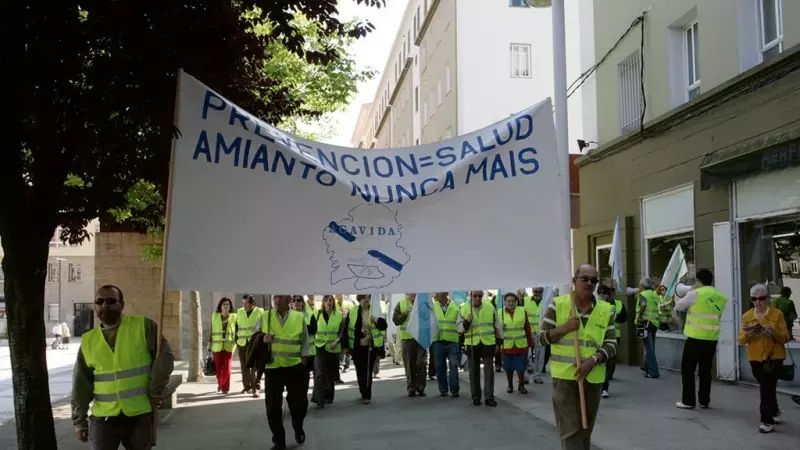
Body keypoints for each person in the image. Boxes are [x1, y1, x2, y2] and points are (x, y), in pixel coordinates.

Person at [72, 285, 174, 449]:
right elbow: (80, 383)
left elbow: (165, 358)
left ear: (122, 304)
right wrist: (79, 421)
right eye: (100, 301)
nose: (105, 305)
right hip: (103, 418)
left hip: (139, 414)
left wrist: (156, 391)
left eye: (111, 301)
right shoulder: (88, 341)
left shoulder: (144, 326)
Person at [538, 265, 616, 450]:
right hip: (565, 379)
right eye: (585, 278)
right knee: (571, 432)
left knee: (584, 431)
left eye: (594, 280)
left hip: (593, 377)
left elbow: (612, 345)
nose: (589, 283)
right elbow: (541, 339)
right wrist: (564, 328)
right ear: (574, 281)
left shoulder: (606, 309)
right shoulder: (559, 305)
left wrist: (594, 360)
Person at [261, 294, 311, 450]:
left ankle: (298, 426)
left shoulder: (298, 317)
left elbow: (305, 341)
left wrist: (303, 362)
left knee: (298, 404)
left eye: (281, 298)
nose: (277, 301)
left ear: (289, 300)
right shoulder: (265, 316)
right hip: (273, 368)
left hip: (294, 368)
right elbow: (254, 337)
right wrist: (263, 339)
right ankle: (279, 440)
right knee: (272, 408)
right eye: (275, 297)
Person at [739, 283, 789, 433]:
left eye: (761, 298)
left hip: (774, 357)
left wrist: (773, 331)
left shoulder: (777, 314)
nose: (758, 302)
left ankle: (767, 421)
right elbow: (740, 340)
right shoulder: (747, 316)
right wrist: (749, 334)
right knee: (767, 387)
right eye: (754, 299)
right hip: (755, 357)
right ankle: (774, 411)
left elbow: (785, 338)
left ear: (767, 298)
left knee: (765, 388)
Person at [675, 268, 727, 410]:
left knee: (688, 370)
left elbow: (679, 306)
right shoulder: (720, 296)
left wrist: (689, 292)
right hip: (711, 339)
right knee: (705, 371)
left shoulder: (695, 294)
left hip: (695, 337)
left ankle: (688, 401)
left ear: (698, 281)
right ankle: (704, 401)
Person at [457, 290, 503, 407]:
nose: (477, 298)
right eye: (475, 296)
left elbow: (498, 325)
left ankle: (489, 397)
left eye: (479, 296)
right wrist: (467, 321)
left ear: (482, 296)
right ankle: (476, 396)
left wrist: (498, 342)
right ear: (470, 296)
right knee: (473, 373)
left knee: (489, 372)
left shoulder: (490, 307)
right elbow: (459, 329)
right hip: (472, 345)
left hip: (488, 344)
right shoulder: (463, 309)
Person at [341, 294, 388, 404]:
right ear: (359, 299)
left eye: (368, 297)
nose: (366, 300)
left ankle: (367, 395)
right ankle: (363, 391)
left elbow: (383, 326)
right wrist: (345, 346)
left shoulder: (375, 310)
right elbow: (346, 329)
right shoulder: (352, 311)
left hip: (370, 347)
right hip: (357, 346)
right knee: (360, 371)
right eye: (364, 298)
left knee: (367, 371)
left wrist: (375, 322)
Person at [393, 293, 428, 397]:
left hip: (421, 339)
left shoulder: (423, 304)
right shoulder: (401, 304)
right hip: (407, 339)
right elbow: (395, 320)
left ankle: (421, 388)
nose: (413, 294)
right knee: (409, 365)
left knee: (421, 363)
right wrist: (404, 313)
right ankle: (411, 388)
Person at [313, 295, 344, 408]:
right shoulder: (317, 314)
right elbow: (312, 328)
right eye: (326, 300)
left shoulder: (339, 315)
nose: (328, 302)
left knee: (330, 374)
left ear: (333, 302)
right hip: (319, 346)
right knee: (320, 373)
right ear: (323, 302)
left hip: (333, 347)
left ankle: (329, 396)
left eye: (330, 300)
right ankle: (319, 398)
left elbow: (341, 331)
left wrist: (337, 341)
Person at [500, 292, 533, 394]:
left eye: (512, 301)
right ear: (505, 302)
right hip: (507, 345)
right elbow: (496, 329)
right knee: (508, 367)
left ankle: (521, 385)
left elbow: (527, 327)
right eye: (508, 301)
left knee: (521, 367)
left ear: (516, 302)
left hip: (521, 344)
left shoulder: (522, 311)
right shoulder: (500, 312)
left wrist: (530, 342)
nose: (510, 303)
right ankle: (510, 385)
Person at [599, 285, 627, 398]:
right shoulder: (596, 304)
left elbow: (624, 318)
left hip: (614, 335)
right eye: (600, 293)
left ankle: (607, 379)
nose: (602, 296)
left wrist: (615, 315)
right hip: (600, 336)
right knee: (602, 361)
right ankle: (603, 386)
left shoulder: (618, 304)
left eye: (604, 293)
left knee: (610, 359)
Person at [432, 292, 460, 397]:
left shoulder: (455, 307)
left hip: (452, 341)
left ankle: (454, 389)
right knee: (439, 366)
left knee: (453, 365)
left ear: (445, 294)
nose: (436, 294)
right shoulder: (433, 307)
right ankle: (443, 389)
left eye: (438, 292)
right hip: (438, 341)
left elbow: (459, 324)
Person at [291, 295, 318, 404]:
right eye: (294, 300)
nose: (296, 302)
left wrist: (302, 325)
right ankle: (294, 400)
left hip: (307, 353)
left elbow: (313, 330)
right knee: (293, 380)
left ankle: (302, 400)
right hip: (292, 353)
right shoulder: (288, 316)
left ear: (303, 303)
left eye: (299, 300)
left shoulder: (310, 315)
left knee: (304, 379)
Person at [236, 294, 264, 397]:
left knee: (254, 366)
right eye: (243, 303)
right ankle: (246, 386)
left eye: (246, 303)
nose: (244, 306)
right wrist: (236, 339)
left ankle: (255, 388)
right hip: (242, 341)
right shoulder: (239, 312)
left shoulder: (260, 311)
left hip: (254, 342)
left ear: (252, 303)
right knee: (244, 366)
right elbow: (236, 326)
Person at [208, 297, 237, 394]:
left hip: (229, 347)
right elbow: (211, 331)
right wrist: (209, 345)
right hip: (217, 347)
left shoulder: (234, 317)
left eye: (227, 304)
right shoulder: (215, 316)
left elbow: (237, 332)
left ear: (230, 307)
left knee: (227, 369)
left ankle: (224, 387)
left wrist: (236, 344)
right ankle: (221, 385)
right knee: (218, 369)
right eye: (224, 304)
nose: (226, 306)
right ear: (220, 306)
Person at [635, 277, 660, 378]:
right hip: (654, 323)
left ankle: (654, 371)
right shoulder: (654, 294)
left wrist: (640, 316)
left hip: (646, 323)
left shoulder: (643, 294)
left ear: (642, 286)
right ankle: (647, 367)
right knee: (651, 347)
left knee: (649, 348)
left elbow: (643, 305)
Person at [525, 287, 546, 385]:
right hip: (528, 333)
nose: (537, 293)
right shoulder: (525, 301)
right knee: (526, 356)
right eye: (535, 291)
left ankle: (537, 376)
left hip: (541, 333)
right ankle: (525, 376)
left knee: (540, 356)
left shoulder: (546, 302)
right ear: (532, 291)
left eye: (540, 292)